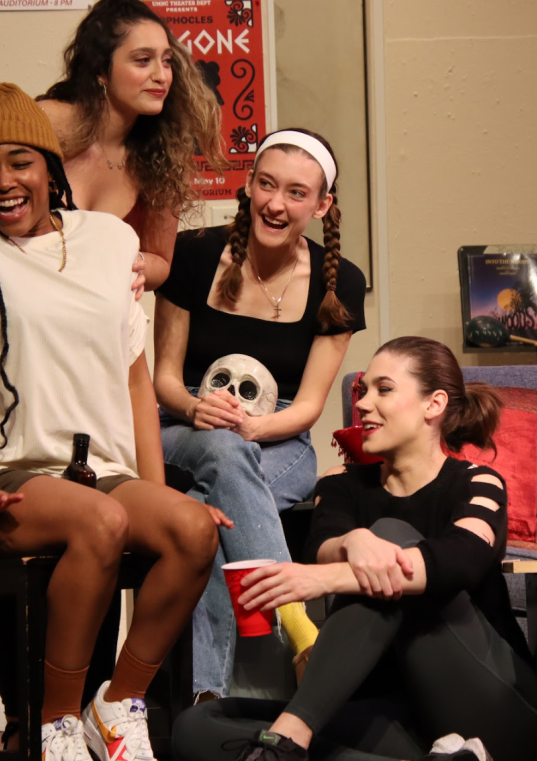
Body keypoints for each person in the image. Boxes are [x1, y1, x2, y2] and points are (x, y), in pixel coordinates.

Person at [0, 82, 219, 761]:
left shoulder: (110, 240)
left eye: (20, 161)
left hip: (96, 467)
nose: (3, 181)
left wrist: (158, 485)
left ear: (51, 167)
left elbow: (136, 375)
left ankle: (117, 702)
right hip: (0, 464)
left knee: (193, 529)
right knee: (99, 521)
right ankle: (56, 726)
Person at [170, 336, 537, 761]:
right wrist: (352, 541)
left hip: (492, 710)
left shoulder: (478, 483)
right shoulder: (340, 485)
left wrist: (331, 575)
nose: (363, 404)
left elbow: (460, 561)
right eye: (363, 390)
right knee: (197, 727)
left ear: (433, 404)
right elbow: (322, 547)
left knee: (390, 537)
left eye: (383, 390)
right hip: (394, 720)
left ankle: (290, 738)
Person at [152, 128, 367, 699]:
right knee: (222, 454)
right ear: (247, 187)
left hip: (279, 439)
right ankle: (299, 623)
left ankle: (205, 699)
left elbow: (310, 409)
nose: (277, 202)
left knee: (206, 518)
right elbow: (165, 381)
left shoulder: (340, 282)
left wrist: (250, 427)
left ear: (321, 206)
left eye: (297, 193)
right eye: (266, 185)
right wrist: (201, 409)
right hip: (181, 429)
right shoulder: (195, 254)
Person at [0, 0, 226, 325]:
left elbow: (159, 261)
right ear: (100, 69)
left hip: (89, 326)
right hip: (7, 319)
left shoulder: (163, 153)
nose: (161, 76)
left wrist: (131, 261)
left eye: (166, 61)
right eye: (143, 61)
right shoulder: (48, 123)